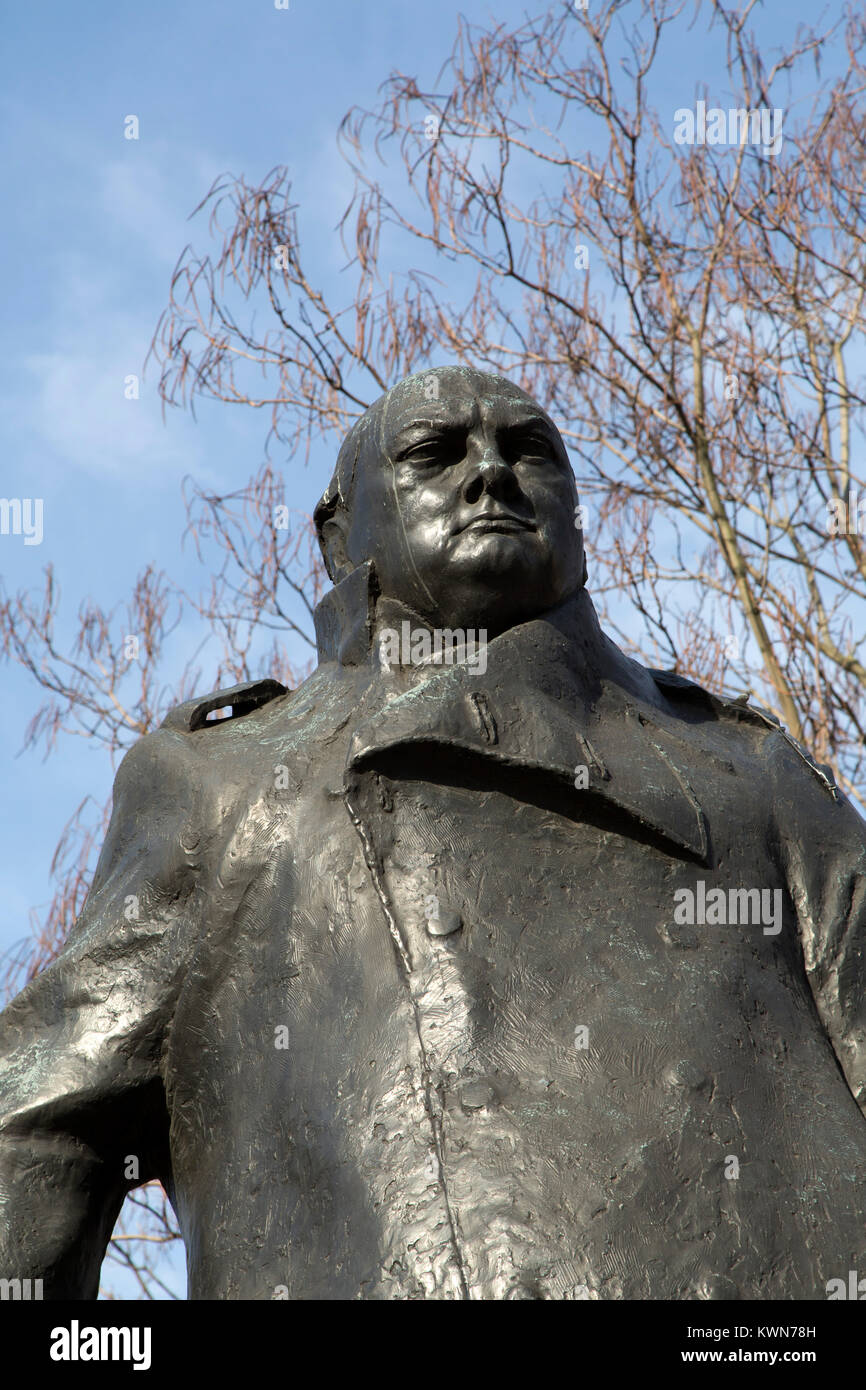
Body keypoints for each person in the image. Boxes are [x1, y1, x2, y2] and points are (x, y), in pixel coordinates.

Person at [1, 365, 864, 1300]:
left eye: (528, 449)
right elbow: (37, 1129)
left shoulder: (757, 774)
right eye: (433, 453)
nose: (491, 473)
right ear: (339, 536)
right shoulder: (226, 784)